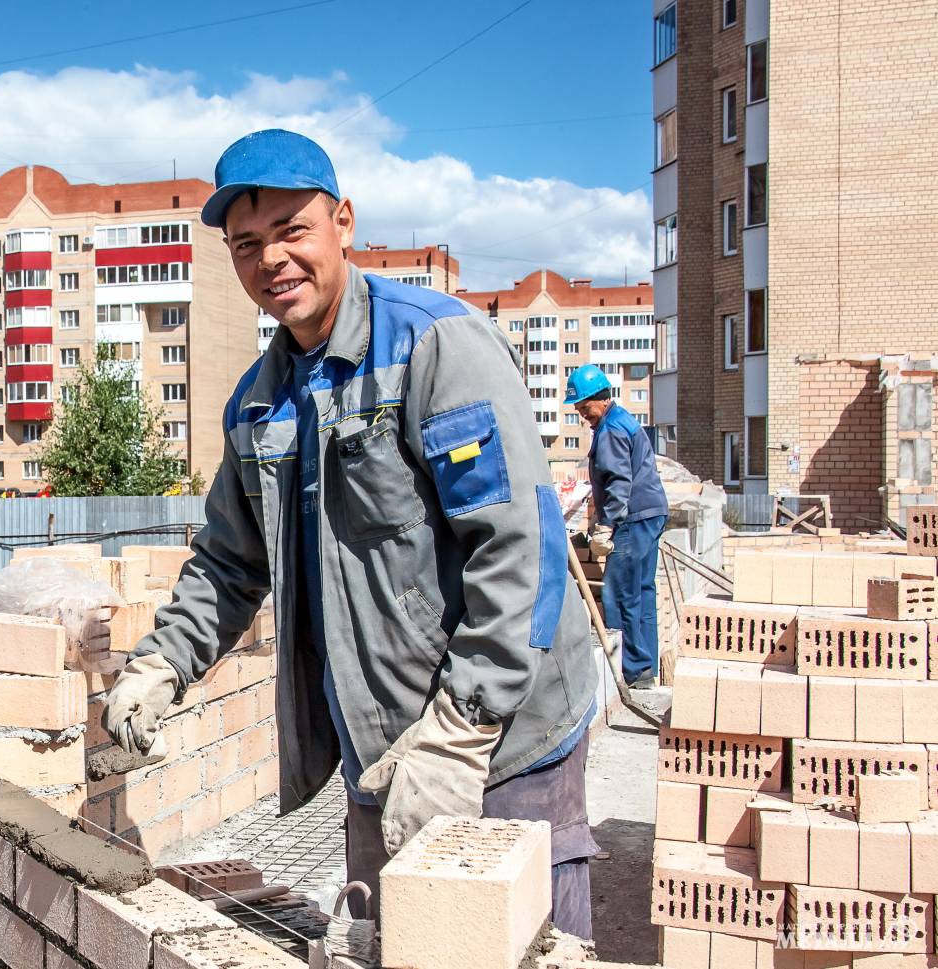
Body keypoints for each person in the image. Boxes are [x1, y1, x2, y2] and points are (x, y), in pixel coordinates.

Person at [101, 129, 600, 936]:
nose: (273, 260)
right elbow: (230, 561)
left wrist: (461, 727)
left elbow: (520, 547)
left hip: (502, 737)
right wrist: (163, 662)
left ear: (343, 222)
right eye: (247, 245)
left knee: (515, 946)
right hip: (381, 741)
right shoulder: (259, 404)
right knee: (395, 941)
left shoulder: (434, 346)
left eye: (292, 230)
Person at [565, 364, 669, 689]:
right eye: (580, 410)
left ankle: (632, 670)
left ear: (601, 398)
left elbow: (618, 481)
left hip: (633, 519)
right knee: (642, 591)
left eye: (585, 408)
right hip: (650, 513)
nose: (584, 415)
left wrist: (606, 525)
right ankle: (645, 667)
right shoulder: (622, 420)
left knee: (619, 592)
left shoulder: (610, 430)